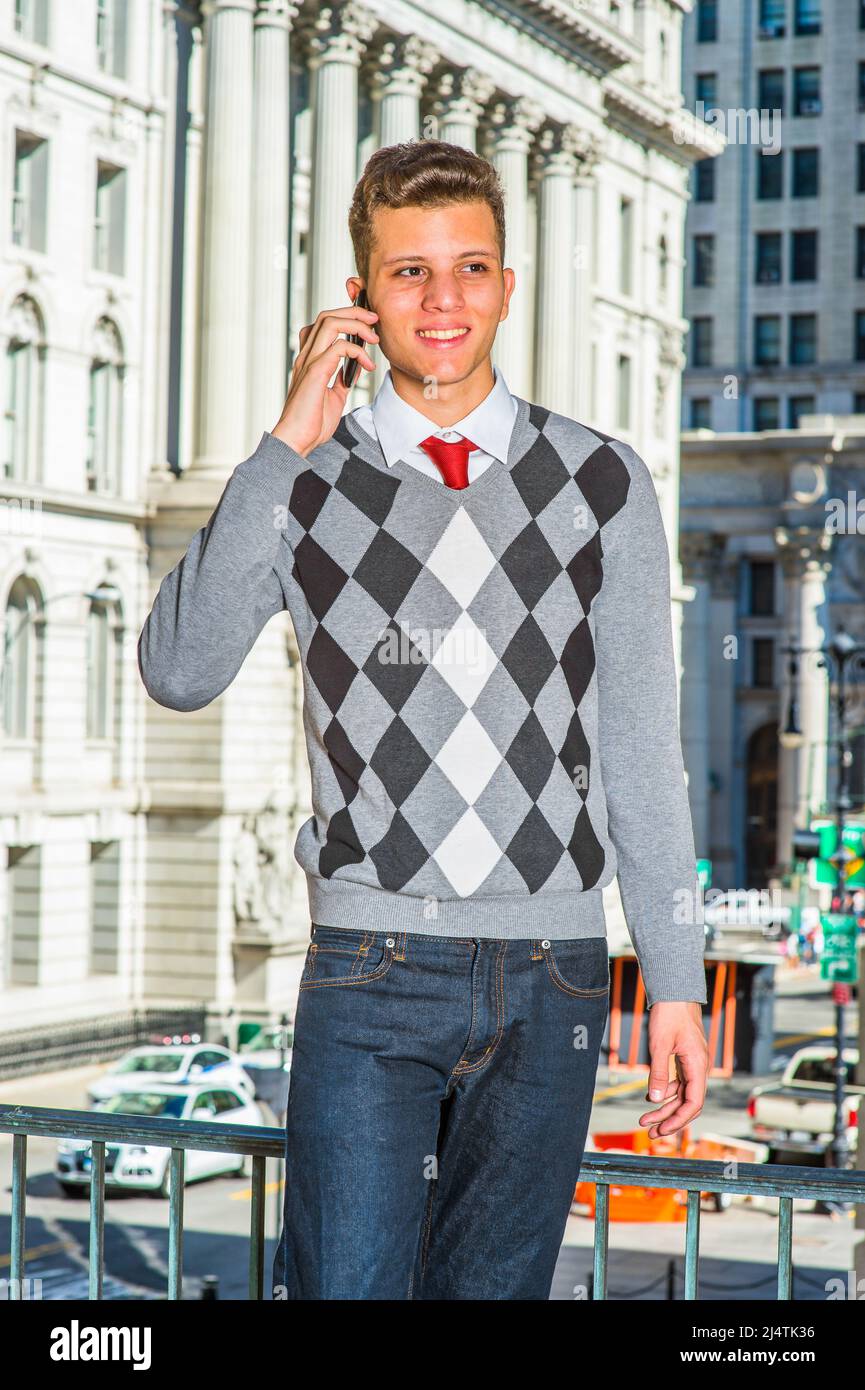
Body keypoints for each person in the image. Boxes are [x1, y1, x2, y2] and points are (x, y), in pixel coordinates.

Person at [138, 139, 709, 1300]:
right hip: (369, 963)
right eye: (408, 273)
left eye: (470, 267)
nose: (442, 299)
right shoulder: (300, 482)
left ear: (508, 286)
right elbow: (179, 669)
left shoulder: (603, 482)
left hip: (554, 970)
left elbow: (641, 749)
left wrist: (680, 980)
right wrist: (281, 444)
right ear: (359, 298)